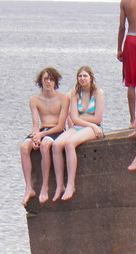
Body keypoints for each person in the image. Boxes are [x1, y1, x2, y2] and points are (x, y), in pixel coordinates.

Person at [51, 66, 105, 201]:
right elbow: (74, 118)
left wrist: (88, 123)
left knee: (70, 144)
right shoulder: (74, 94)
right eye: (80, 76)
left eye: (85, 76)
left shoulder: (98, 93)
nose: (82, 79)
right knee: (57, 145)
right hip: (82, 126)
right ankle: (59, 185)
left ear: (91, 78)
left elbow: (98, 118)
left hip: (94, 128)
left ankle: (71, 185)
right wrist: (87, 121)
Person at [20, 67, 67, 206]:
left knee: (45, 145)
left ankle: (45, 187)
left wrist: (42, 135)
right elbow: (35, 123)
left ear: (55, 81)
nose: (48, 82)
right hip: (42, 129)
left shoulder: (63, 99)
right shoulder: (35, 100)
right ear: (41, 81)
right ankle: (29, 188)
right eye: (45, 79)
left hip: (56, 130)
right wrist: (35, 137)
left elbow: (60, 126)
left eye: (51, 79)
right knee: (24, 147)